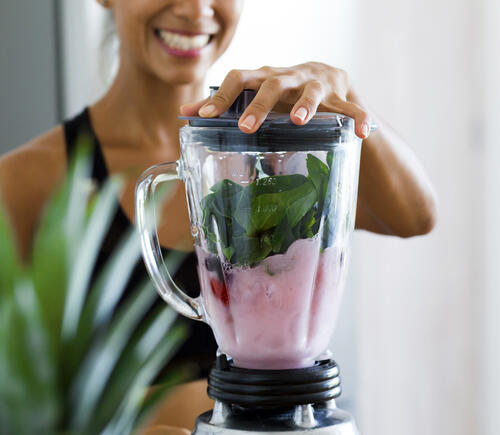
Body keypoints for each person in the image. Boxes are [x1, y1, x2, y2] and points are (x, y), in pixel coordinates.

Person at [0, 0, 437, 432]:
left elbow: (416, 216)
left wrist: (349, 102)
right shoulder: (26, 183)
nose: (195, 10)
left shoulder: (280, 155)